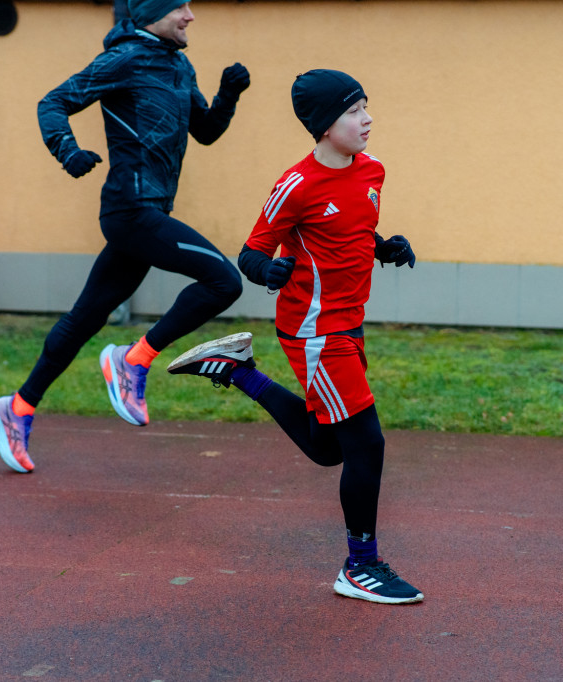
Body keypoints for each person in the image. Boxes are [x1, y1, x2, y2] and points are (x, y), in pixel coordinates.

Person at [166, 69, 422, 604]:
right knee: (367, 445)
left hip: (348, 323)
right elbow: (252, 252)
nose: (367, 119)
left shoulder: (373, 170)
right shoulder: (296, 185)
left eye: (366, 107)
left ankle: (238, 370)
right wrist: (268, 273)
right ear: (325, 125)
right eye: (354, 111)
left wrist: (382, 246)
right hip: (314, 330)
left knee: (331, 449)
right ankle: (360, 566)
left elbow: (349, 229)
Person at [0, 0, 250, 473]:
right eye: (179, 8)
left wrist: (229, 94)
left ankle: (16, 408)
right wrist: (67, 151)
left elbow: (205, 131)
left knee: (85, 318)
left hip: (148, 212)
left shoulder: (178, 64)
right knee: (223, 282)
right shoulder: (125, 58)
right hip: (131, 210)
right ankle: (134, 359)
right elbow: (54, 102)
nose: (190, 16)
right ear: (152, 13)